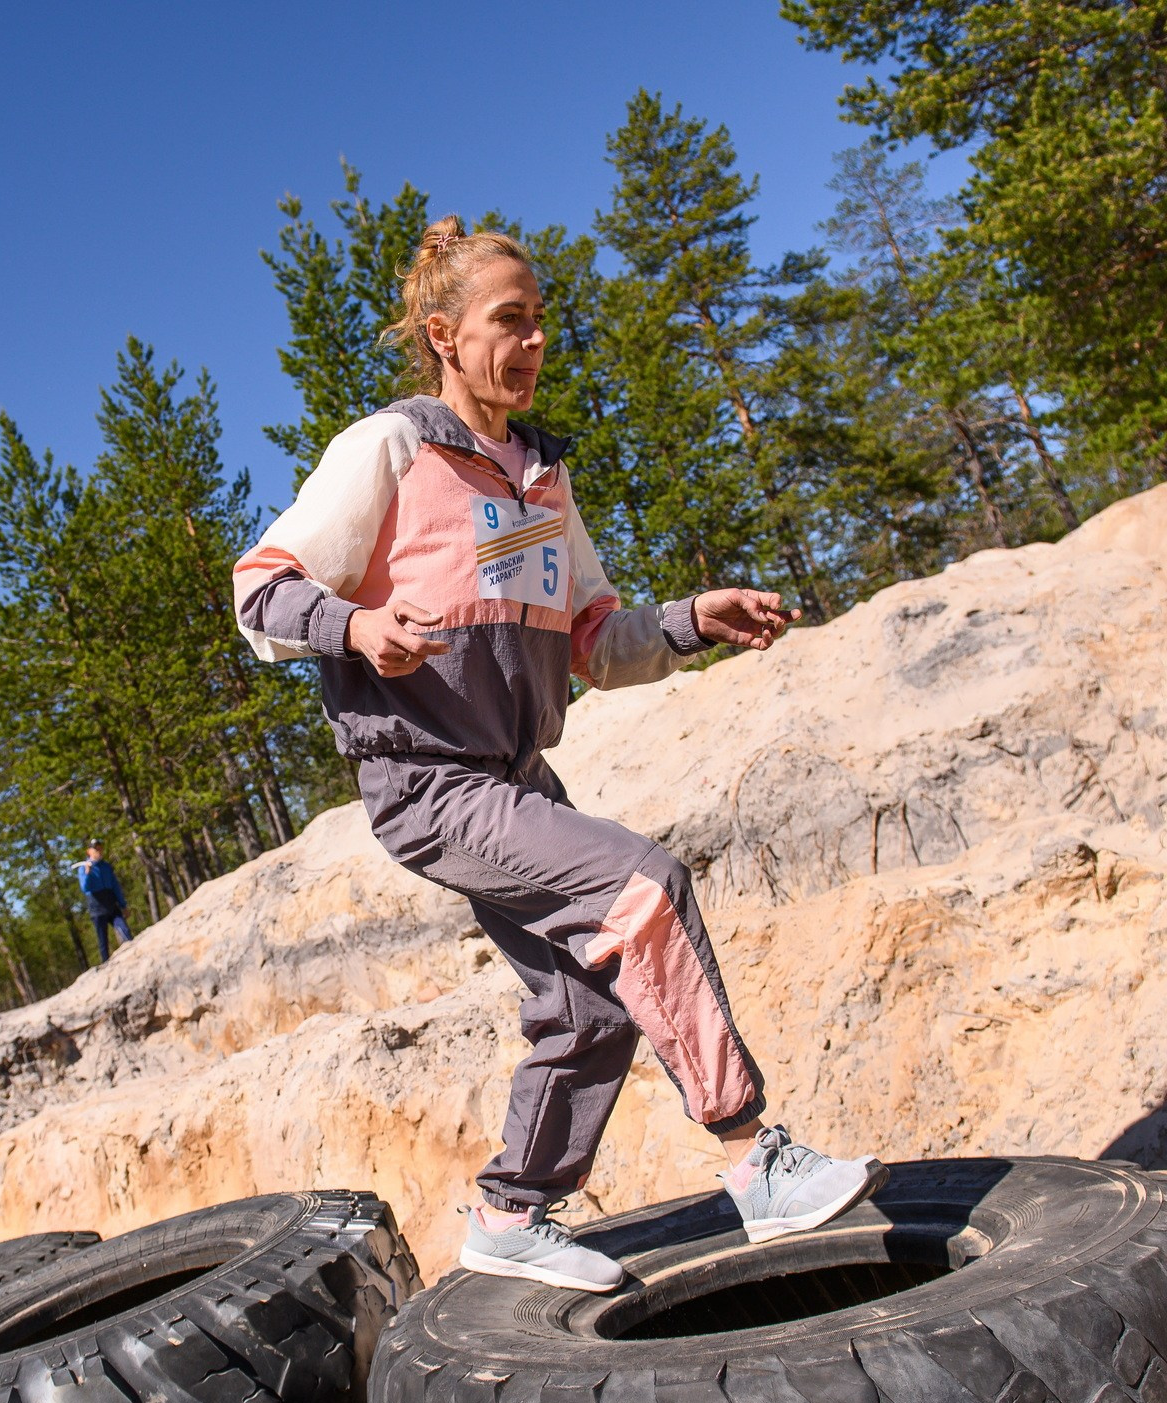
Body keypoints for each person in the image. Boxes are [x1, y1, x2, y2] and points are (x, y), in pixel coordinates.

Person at [230, 218, 886, 1292]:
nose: (533, 342)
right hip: (428, 780)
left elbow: (592, 642)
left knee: (587, 1007)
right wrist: (356, 627)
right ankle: (752, 1157)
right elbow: (260, 589)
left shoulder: (542, 476)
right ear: (443, 335)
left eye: (540, 322)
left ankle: (508, 1215)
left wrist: (689, 621)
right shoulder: (388, 448)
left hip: (520, 778)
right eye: (509, 321)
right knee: (642, 886)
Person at [75, 841, 133, 964]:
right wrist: (88, 873)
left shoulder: (106, 867)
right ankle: (106, 964)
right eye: (96, 849)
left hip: (111, 904)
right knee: (103, 940)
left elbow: (115, 886)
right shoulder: (83, 868)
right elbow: (85, 888)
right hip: (96, 907)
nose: (99, 851)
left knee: (124, 929)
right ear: (89, 852)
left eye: (100, 849)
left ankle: (134, 953)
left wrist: (123, 905)